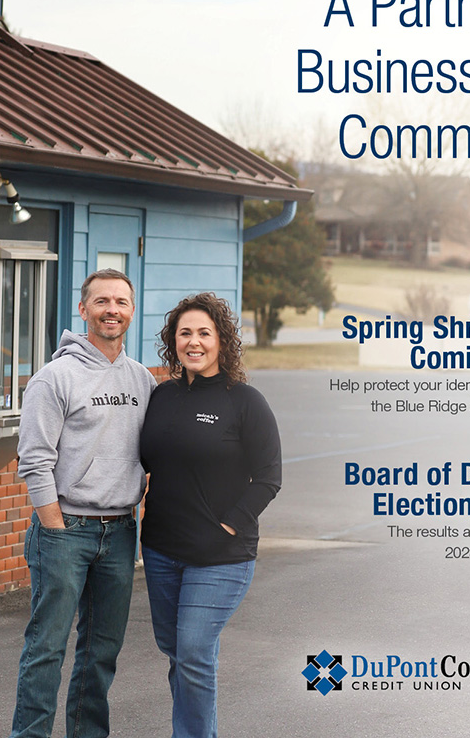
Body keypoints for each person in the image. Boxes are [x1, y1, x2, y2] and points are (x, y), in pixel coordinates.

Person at [10, 268, 156, 738]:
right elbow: (34, 459)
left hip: (119, 533)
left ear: (132, 311)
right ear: (84, 309)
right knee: (46, 650)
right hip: (65, 530)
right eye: (102, 301)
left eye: (121, 302)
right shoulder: (55, 378)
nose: (112, 310)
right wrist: (53, 525)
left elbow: (152, 455)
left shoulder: (141, 381)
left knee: (100, 654)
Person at [140, 292, 281, 738]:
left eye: (205, 333)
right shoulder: (161, 396)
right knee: (178, 653)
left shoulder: (244, 401)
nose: (194, 342)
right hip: (162, 550)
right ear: (173, 341)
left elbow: (269, 477)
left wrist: (228, 524)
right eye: (185, 333)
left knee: (195, 651)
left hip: (221, 555)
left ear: (222, 340)